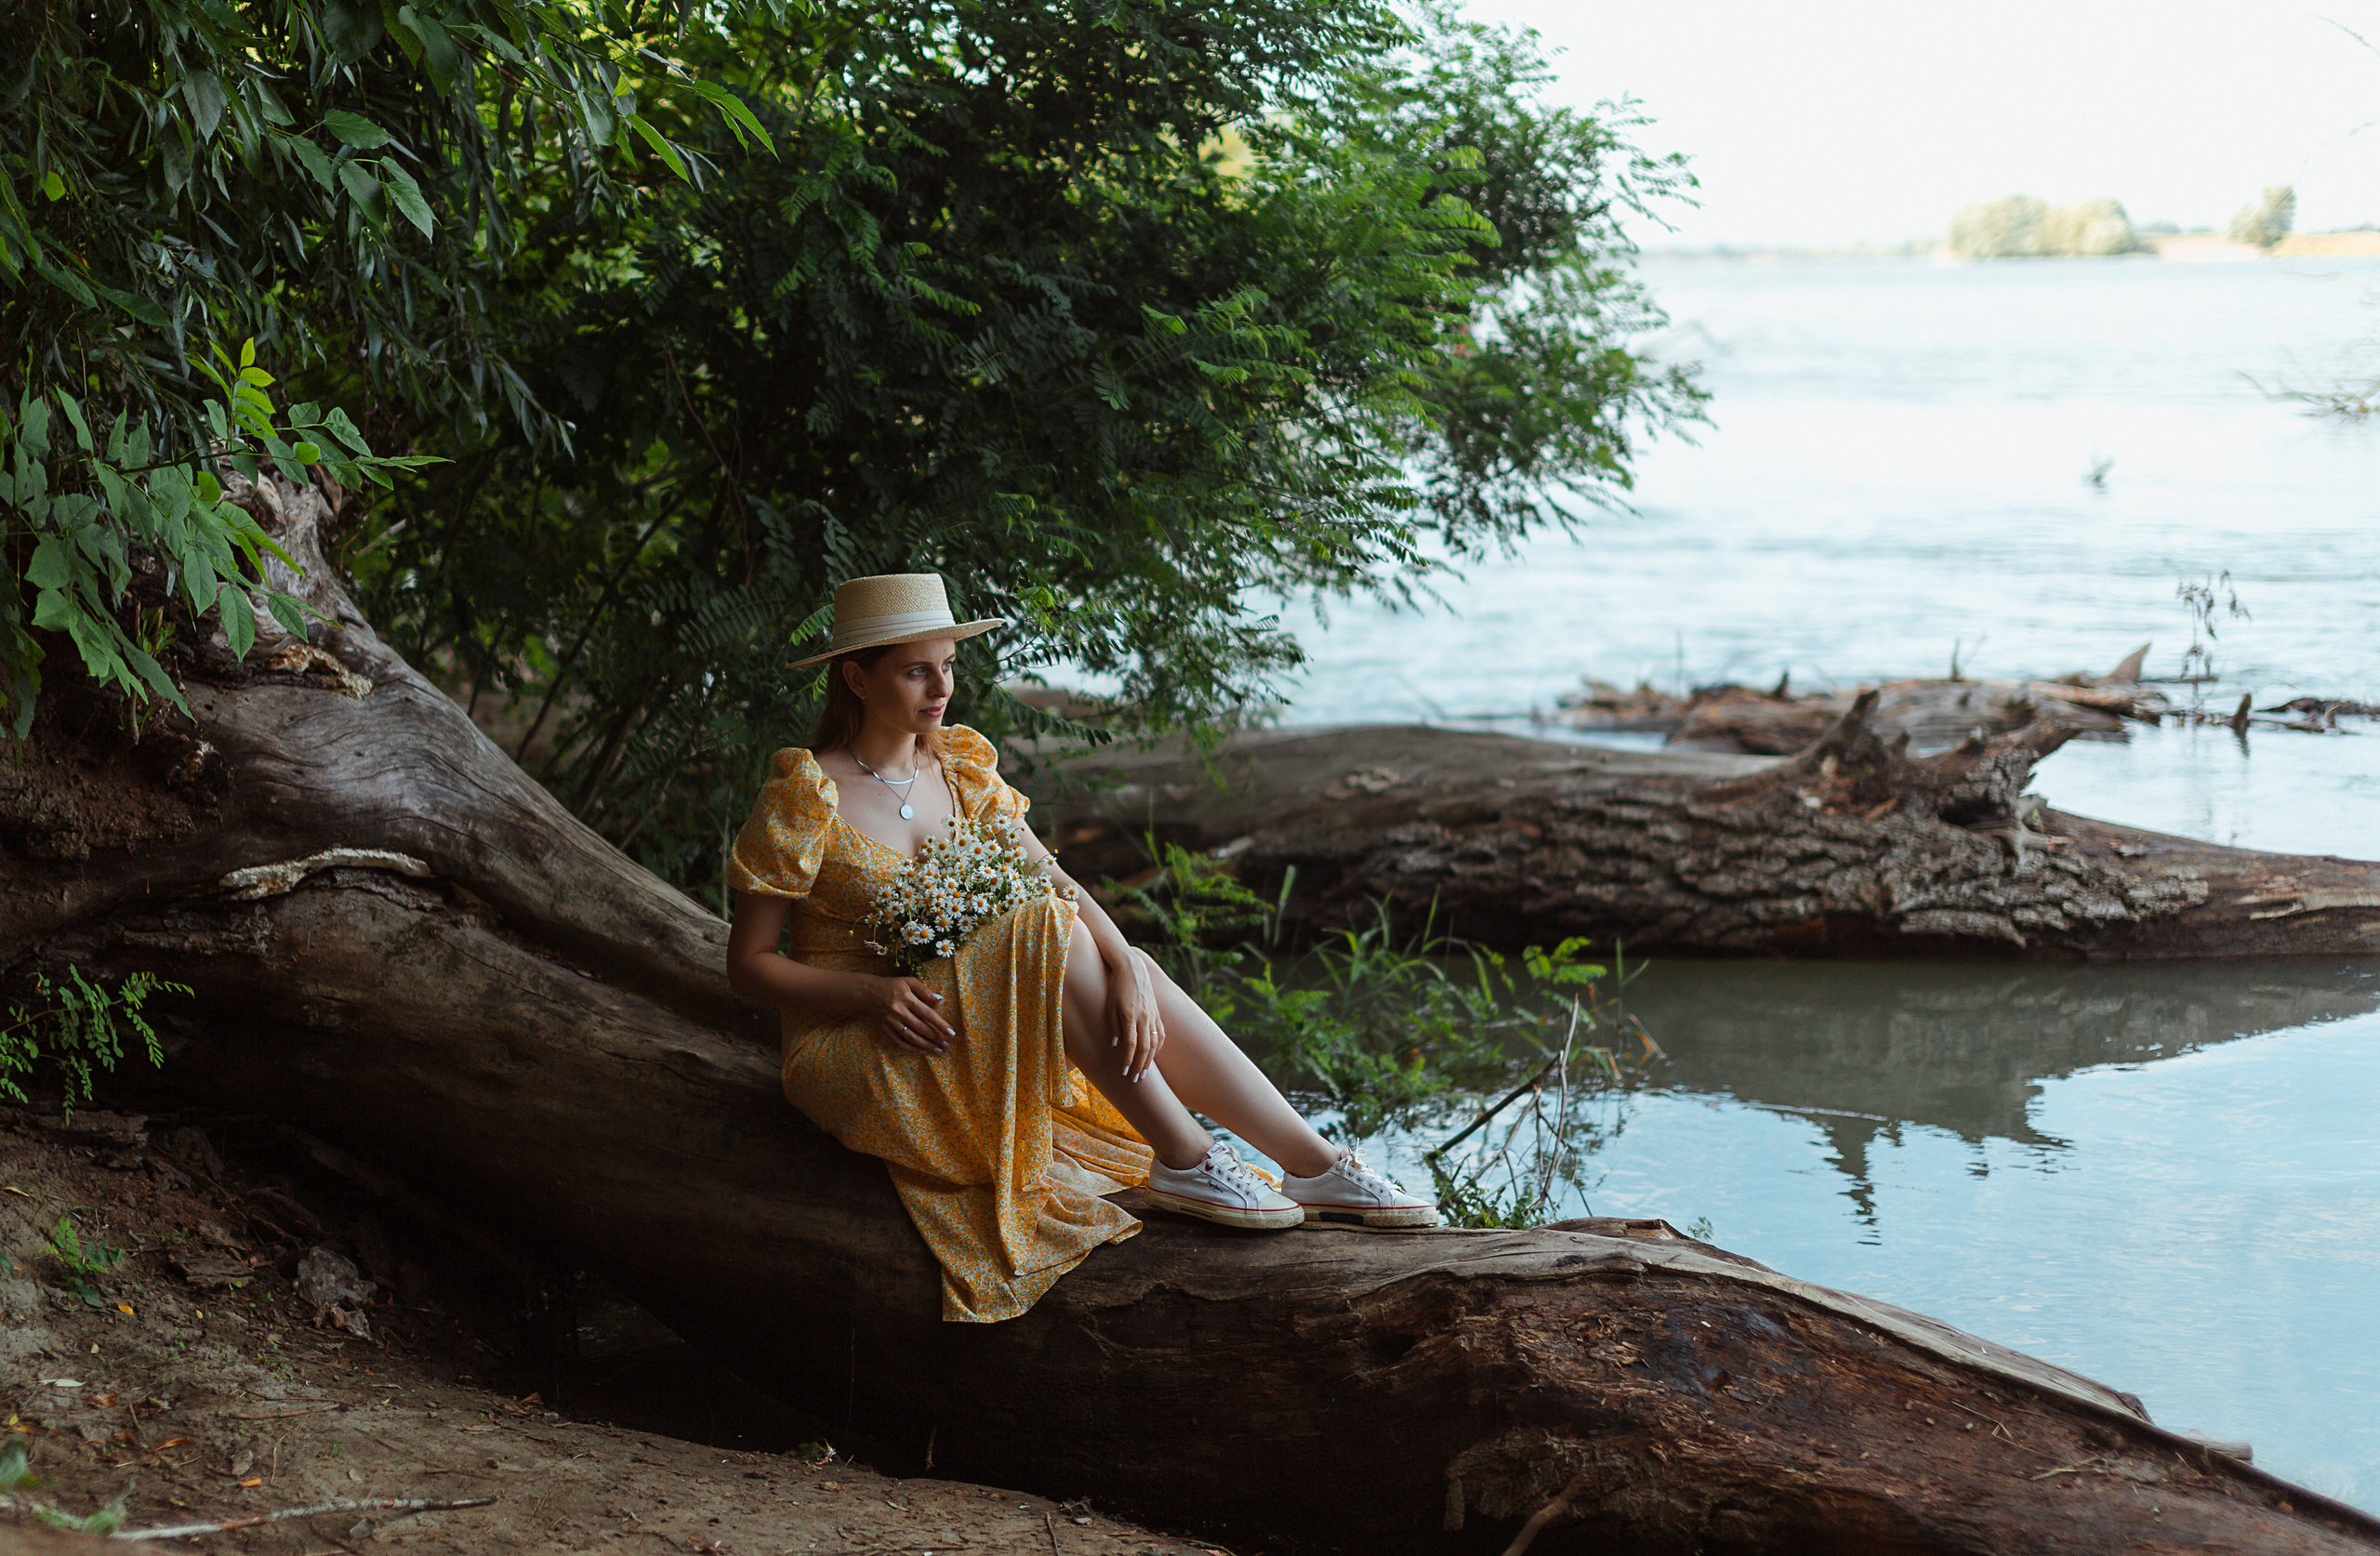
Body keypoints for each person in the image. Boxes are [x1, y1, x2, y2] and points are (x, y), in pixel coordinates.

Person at [723, 573, 1436, 1322]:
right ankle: (1188, 1160)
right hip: (865, 1041)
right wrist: (872, 992)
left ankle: (1313, 1165)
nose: (942, 687)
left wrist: (1126, 963)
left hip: (966, 1018)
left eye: (949, 665)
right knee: (1040, 925)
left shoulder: (959, 767)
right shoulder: (807, 794)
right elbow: (750, 966)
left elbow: (1051, 876)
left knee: (1112, 950)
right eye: (916, 669)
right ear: (857, 677)